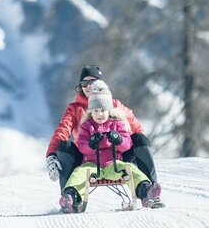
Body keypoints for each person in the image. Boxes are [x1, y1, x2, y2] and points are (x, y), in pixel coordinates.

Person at [46, 64, 163, 204]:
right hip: (88, 158)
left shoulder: (114, 105)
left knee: (140, 138)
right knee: (64, 146)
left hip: (117, 156)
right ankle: (70, 199)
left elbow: (137, 130)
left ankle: (149, 193)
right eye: (85, 83)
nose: (89, 86)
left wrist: (120, 140)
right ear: (80, 86)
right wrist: (51, 155)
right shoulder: (75, 109)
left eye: (93, 81)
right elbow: (62, 131)